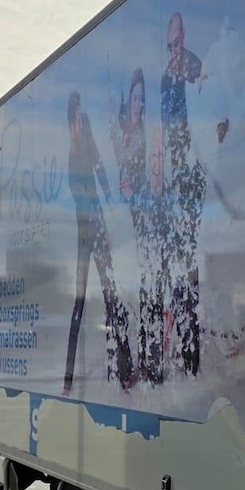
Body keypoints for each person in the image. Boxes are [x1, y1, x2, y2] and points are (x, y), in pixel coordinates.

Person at [63, 90, 134, 395]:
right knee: (78, 304)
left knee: (111, 296)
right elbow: (81, 197)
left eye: (82, 119)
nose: (79, 124)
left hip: (98, 229)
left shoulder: (87, 150)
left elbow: (102, 171)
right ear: (70, 125)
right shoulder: (72, 160)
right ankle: (67, 380)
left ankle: (125, 371)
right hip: (85, 235)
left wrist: (111, 202)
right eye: (76, 120)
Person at [110, 69, 167, 386]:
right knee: (125, 296)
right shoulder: (120, 133)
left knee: (148, 293)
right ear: (129, 98)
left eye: (143, 99)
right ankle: (128, 366)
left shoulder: (147, 133)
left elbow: (154, 175)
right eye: (136, 97)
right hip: (124, 223)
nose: (139, 104)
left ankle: (149, 364)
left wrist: (141, 194)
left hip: (144, 220)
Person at [159, 12, 208, 377]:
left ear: (184, 37)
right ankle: (178, 344)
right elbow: (164, 126)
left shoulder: (195, 67)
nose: (173, 50)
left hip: (193, 172)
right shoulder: (165, 76)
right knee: (177, 259)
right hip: (175, 175)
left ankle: (190, 353)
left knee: (187, 257)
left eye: (176, 43)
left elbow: (208, 110)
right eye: (169, 45)